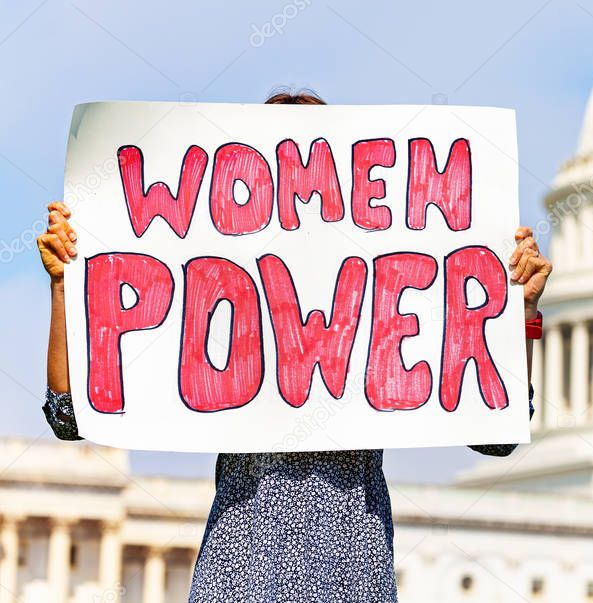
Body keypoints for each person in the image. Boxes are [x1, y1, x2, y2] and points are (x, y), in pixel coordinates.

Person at [36, 90, 552, 602]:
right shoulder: (221, 309)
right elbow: (68, 416)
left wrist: (519, 311)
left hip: (352, 578)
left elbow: (497, 433)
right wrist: (66, 285)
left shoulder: (376, 306)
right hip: (239, 579)